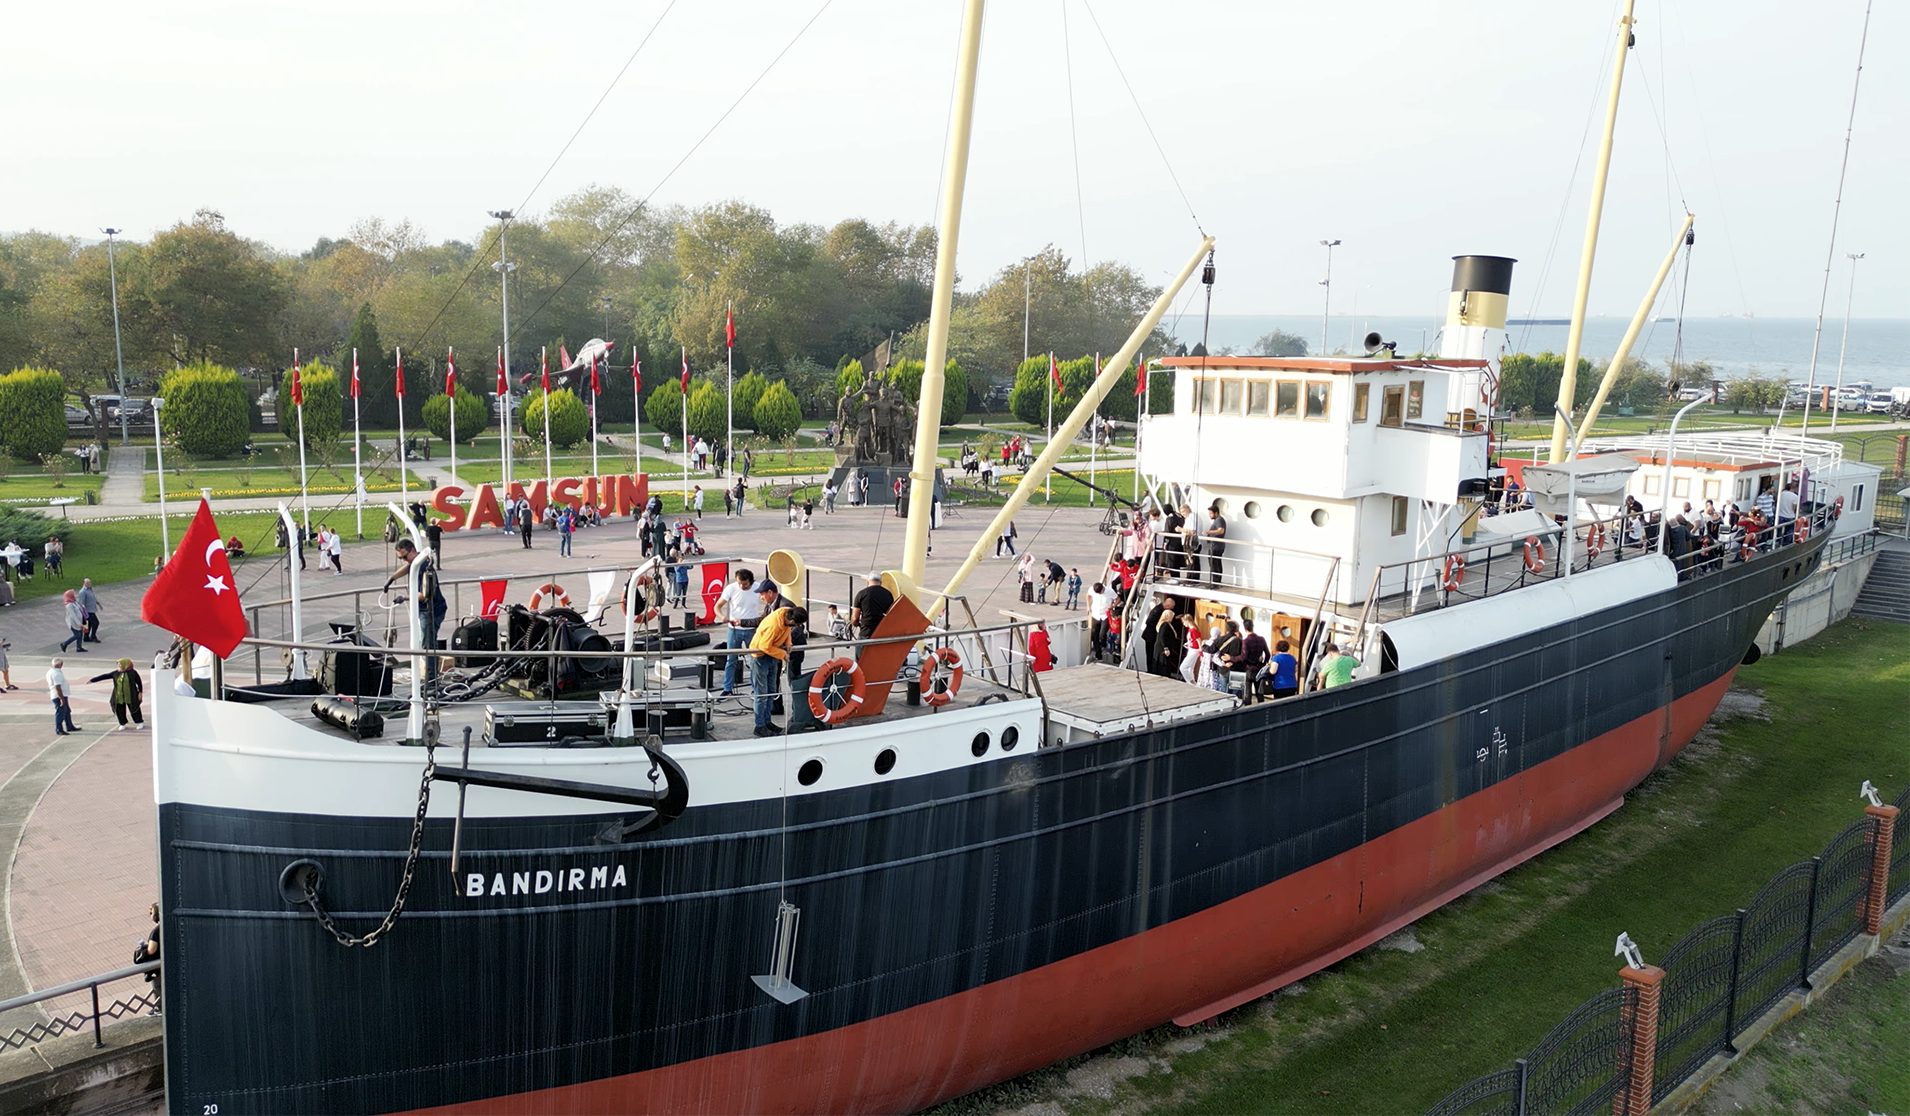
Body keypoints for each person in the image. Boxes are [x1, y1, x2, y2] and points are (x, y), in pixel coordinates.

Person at [384, 539, 446, 669]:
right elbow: (408, 568)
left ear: (412, 551)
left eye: (405, 557)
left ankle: (431, 676)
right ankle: (427, 672)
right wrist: (391, 579)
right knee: (424, 642)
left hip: (431, 610)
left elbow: (424, 595)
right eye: (400, 558)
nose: (404, 560)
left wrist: (404, 598)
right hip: (423, 610)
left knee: (428, 644)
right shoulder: (415, 563)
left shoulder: (425, 568)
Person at [748, 602, 807, 737]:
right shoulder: (774, 625)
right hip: (760, 658)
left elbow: (787, 631)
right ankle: (759, 725)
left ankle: (767, 722)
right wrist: (783, 654)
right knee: (761, 694)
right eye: (796, 625)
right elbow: (764, 646)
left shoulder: (786, 614)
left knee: (771, 692)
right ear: (792, 621)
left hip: (772, 655)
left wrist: (788, 643)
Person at [715, 569, 764, 697]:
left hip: (751, 629)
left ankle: (755, 689)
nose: (742, 586)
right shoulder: (731, 588)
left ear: (750, 581)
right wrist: (722, 616)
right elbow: (717, 606)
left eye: (745, 584)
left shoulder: (758, 588)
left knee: (754, 660)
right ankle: (727, 688)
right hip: (734, 629)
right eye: (739, 583)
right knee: (731, 659)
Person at [90, 657, 145, 729]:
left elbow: (139, 683)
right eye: (118, 664)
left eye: (120, 664)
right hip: (119, 696)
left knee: (134, 708)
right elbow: (105, 676)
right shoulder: (116, 673)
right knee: (119, 710)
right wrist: (93, 680)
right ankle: (122, 723)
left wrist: (140, 692)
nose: (119, 665)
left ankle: (139, 722)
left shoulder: (133, 673)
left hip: (131, 695)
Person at [850, 574, 894, 640]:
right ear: (881, 583)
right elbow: (892, 613)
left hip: (866, 632)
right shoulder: (888, 594)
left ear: (867, 582)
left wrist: (856, 624)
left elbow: (855, 618)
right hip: (882, 633)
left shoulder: (861, 594)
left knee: (861, 646)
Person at [1237, 620, 1270, 703]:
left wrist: (1232, 658)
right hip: (1259, 668)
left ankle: (1248, 708)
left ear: (1245, 629)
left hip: (1249, 668)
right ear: (1253, 626)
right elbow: (1267, 654)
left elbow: (1244, 656)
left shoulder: (1245, 641)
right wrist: (1263, 663)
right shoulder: (1261, 639)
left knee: (1247, 693)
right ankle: (1262, 708)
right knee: (1259, 692)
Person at [47, 657, 76, 735]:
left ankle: (69, 726)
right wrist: (61, 699)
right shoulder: (57, 674)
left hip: (59, 695)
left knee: (67, 711)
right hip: (59, 696)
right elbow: (58, 687)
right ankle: (59, 729)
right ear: (61, 665)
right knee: (60, 712)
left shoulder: (51, 672)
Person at [1202, 502, 1228, 585]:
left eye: (1211, 514)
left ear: (1216, 513)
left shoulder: (1219, 520)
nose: (1209, 515)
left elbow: (1221, 530)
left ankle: (1216, 582)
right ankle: (1215, 581)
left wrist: (1209, 532)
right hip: (1215, 546)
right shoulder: (1218, 520)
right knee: (1215, 563)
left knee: (1215, 564)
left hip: (1216, 546)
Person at [1087, 581, 1113, 661]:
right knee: (1094, 635)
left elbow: (1117, 599)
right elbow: (1088, 595)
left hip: (1105, 616)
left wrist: (1112, 606)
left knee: (1102, 634)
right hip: (1095, 615)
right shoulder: (1091, 589)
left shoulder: (1109, 591)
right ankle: (1098, 655)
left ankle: (1103, 646)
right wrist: (1088, 606)